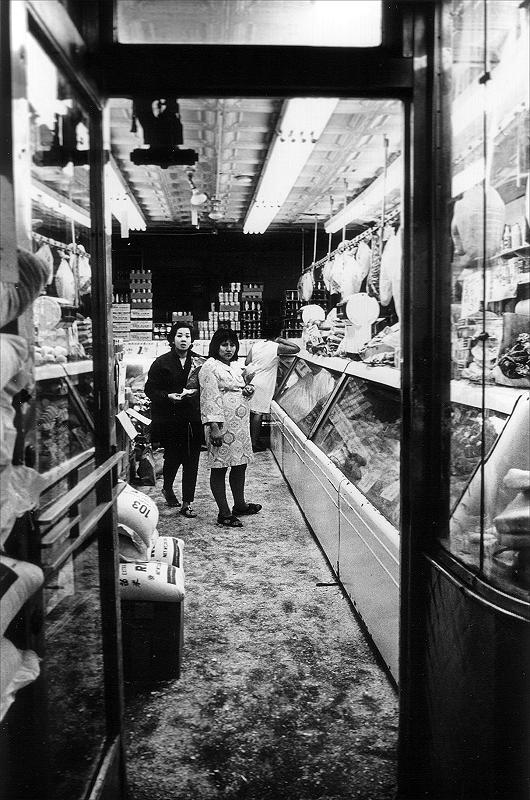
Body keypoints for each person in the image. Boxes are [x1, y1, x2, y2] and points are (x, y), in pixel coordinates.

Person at [199, 327, 261, 527]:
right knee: (219, 467)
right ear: (215, 346)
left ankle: (240, 505)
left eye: (232, 344)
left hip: (240, 426)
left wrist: (247, 390)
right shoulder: (209, 367)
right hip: (222, 425)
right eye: (224, 344)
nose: (229, 349)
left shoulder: (235, 366)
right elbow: (209, 398)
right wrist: (214, 427)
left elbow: (237, 389)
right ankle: (224, 512)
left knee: (240, 464)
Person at [144, 322, 204, 516]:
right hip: (169, 418)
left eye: (187, 335)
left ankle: (187, 502)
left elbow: (207, 387)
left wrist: (196, 392)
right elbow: (150, 389)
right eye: (179, 335)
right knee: (172, 458)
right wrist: (167, 396)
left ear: (192, 339)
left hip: (193, 418)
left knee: (192, 460)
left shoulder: (199, 362)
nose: (184, 339)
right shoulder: (161, 362)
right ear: (172, 338)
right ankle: (168, 487)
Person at [245, 319, 300, 450]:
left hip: (253, 380)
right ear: (277, 333)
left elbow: (247, 362)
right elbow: (296, 349)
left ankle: (251, 440)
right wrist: (281, 340)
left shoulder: (256, 345)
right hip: (265, 383)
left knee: (252, 413)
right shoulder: (276, 346)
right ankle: (253, 443)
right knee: (258, 413)